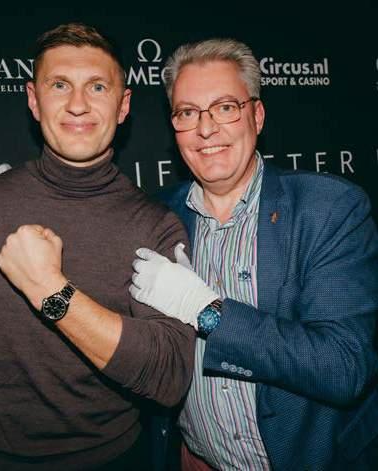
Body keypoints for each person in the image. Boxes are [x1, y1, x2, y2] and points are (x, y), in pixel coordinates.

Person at [0, 23, 195, 470]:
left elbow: (169, 375)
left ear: (123, 105)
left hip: (111, 460)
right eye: (59, 84)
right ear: (33, 99)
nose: (77, 104)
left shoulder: (154, 225)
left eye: (97, 86)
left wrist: (51, 290)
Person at [129, 38, 378, 470]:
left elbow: (343, 367)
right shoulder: (157, 215)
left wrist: (205, 311)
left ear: (257, 116)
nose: (206, 129)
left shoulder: (328, 209)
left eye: (225, 107)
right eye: (187, 113)